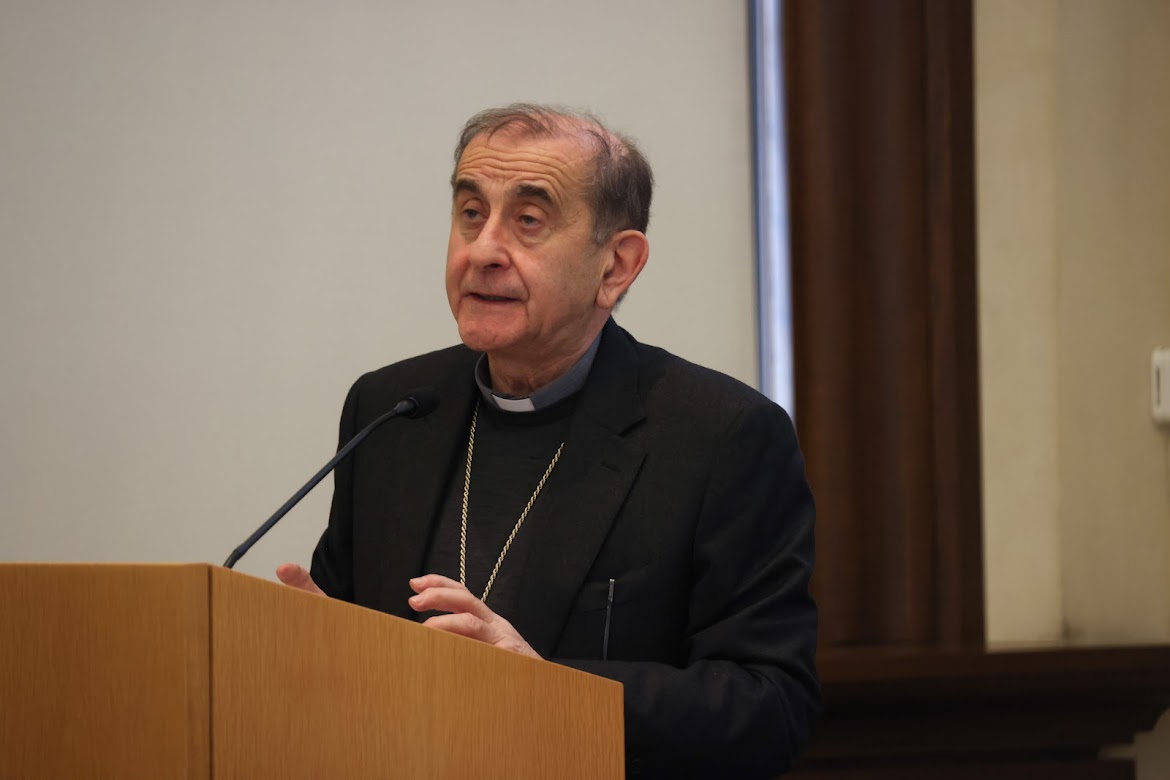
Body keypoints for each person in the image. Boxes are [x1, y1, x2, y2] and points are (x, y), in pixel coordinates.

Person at [276, 104, 820, 779]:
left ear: (616, 266)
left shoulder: (721, 435)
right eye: (471, 213)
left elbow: (770, 707)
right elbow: (353, 632)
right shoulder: (391, 409)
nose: (482, 250)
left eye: (528, 221)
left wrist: (547, 688)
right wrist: (317, 646)